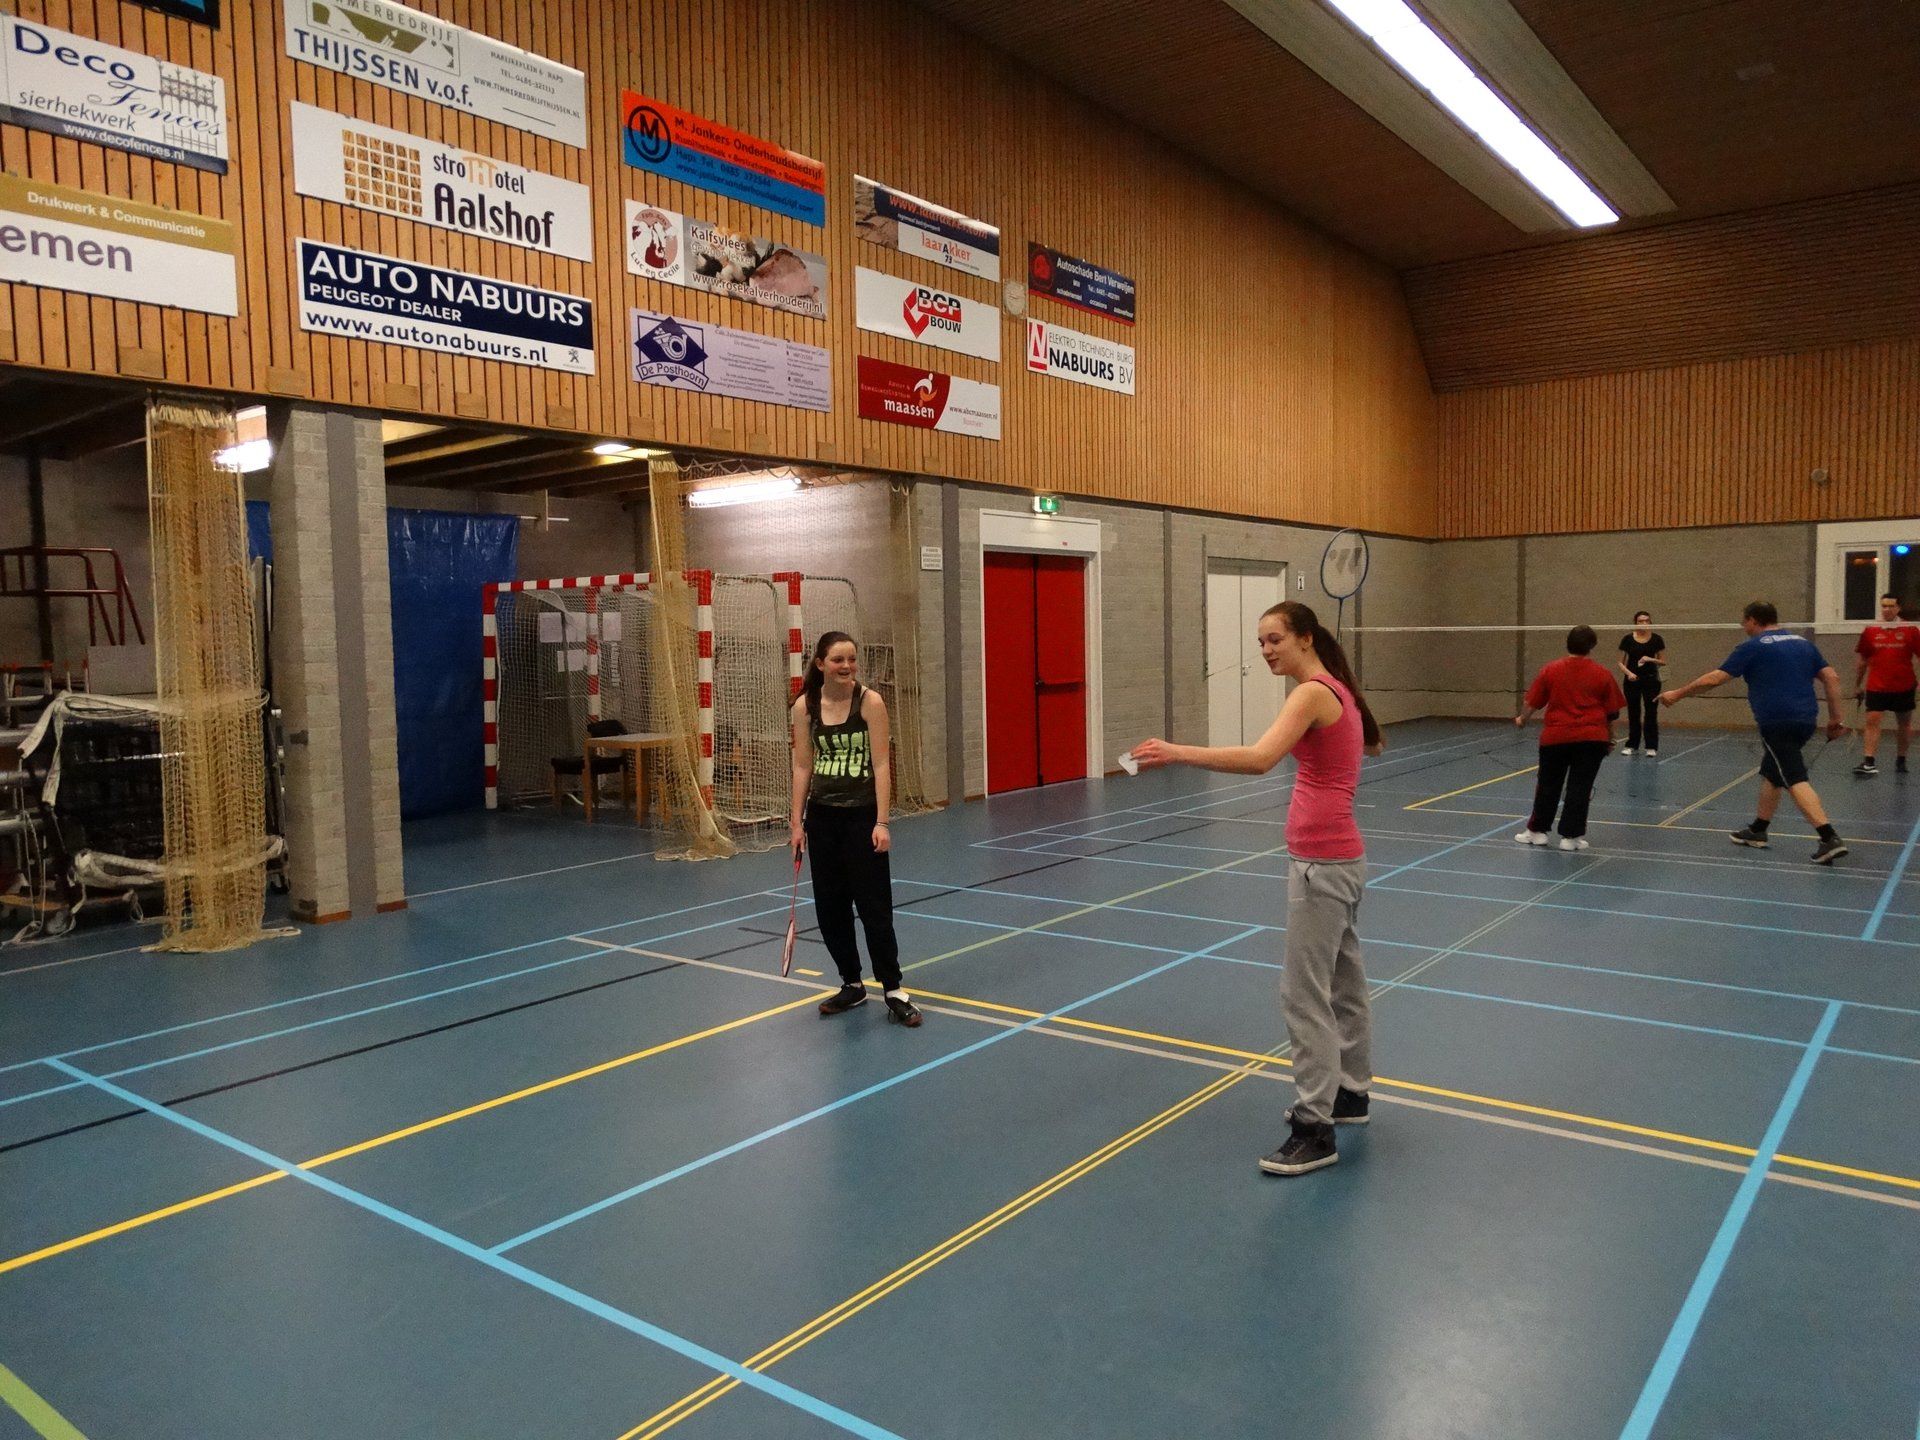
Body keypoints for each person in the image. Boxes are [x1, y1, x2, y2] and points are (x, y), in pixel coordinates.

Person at [1131, 601, 1383, 1178]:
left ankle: (1315, 1127)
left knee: (1303, 994)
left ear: (1306, 638)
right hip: (1339, 861)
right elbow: (1360, 747)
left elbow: (1261, 758)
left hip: (1322, 866)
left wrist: (1176, 752)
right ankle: (1351, 1093)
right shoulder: (1335, 689)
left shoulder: (1312, 693)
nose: (1266, 650)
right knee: (1344, 983)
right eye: (1261, 642)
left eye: (1275, 639)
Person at [789, 631, 921, 1026]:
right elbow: (803, 766)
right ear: (820, 664)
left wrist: (882, 821)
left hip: (862, 818)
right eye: (837, 660)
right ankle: (852, 983)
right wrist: (796, 822)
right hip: (822, 819)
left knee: (874, 908)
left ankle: (893, 989)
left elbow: (881, 764)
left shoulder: (870, 702)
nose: (846, 666)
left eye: (851, 659)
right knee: (831, 910)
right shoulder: (805, 706)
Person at [1660, 601, 1849, 864]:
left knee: (1793, 776)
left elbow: (1715, 678)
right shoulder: (1803, 644)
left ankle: (1828, 837)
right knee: (1773, 772)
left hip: (1777, 721)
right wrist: (1836, 719)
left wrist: (1678, 694)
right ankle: (1758, 829)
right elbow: (1832, 677)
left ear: (1752, 620)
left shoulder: (1753, 647)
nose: (1742, 625)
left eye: (1744, 621)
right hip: (1806, 719)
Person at [1514, 626, 1625, 851]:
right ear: (1592, 646)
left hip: (1556, 737)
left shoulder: (1551, 669)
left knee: (1547, 784)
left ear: (1567, 643)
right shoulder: (1603, 673)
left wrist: (1522, 719)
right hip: (1592, 739)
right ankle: (1570, 838)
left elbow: (1532, 702)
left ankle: (1536, 832)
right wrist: (1611, 738)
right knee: (1580, 787)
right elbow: (1612, 712)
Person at [1853, 593, 1920, 777]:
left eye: (1891, 606)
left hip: (1904, 686)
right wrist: (1857, 684)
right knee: (1872, 721)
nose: (1887, 610)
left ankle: (1901, 759)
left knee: (1904, 724)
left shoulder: (1910, 630)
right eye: (1884, 606)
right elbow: (1862, 660)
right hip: (1877, 686)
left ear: (1898, 608)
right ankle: (1869, 762)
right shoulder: (1871, 630)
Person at [1617, 611, 1666, 755]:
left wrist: (1650, 659)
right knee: (1633, 712)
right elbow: (1620, 662)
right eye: (1640, 621)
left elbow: (1663, 661)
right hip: (1632, 680)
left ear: (1650, 623)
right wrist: (1629, 673)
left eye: (1646, 621)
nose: (1644, 623)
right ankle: (1632, 744)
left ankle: (1651, 746)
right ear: (1635, 623)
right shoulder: (1627, 639)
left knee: (1651, 712)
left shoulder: (1657, 639)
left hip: (1651, 680)